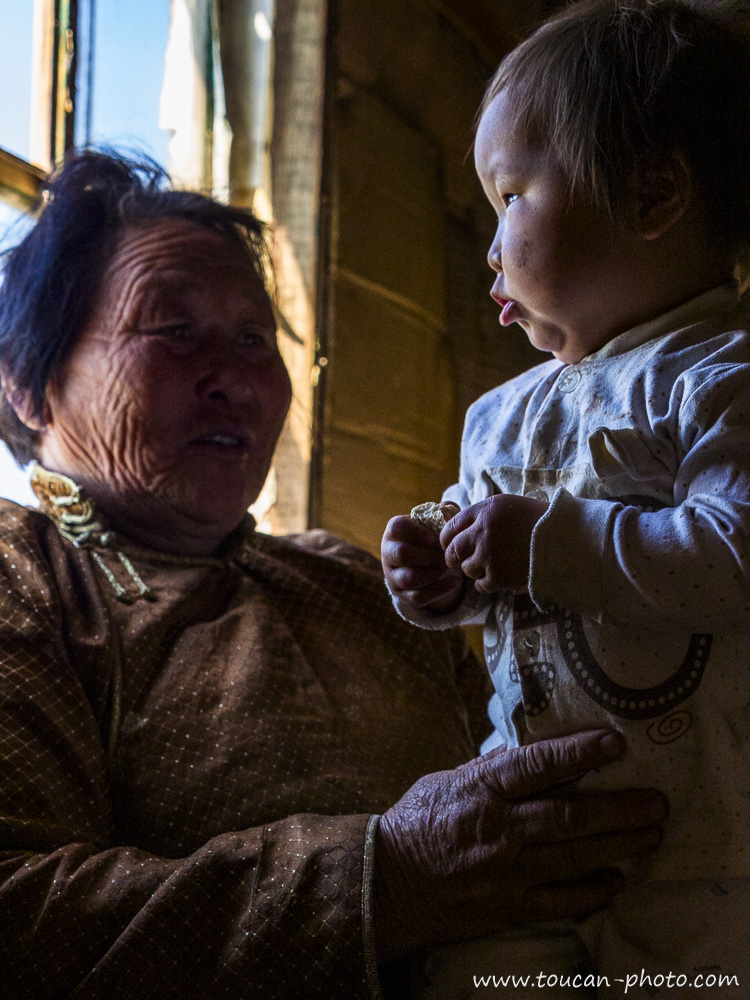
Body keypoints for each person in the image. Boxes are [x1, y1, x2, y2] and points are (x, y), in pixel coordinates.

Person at [0, 150, 666, 1000]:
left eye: (254, 340)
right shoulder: (25, 573)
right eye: (172, 331)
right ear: (27, 382)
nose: (237, 381)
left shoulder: (348, 577)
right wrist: (384, 880)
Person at [382, 0, 750, 995]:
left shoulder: (719, 374)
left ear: (653, 193)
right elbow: (490, 561)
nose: (490, 242)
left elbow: (736, 554)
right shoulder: (497, 414)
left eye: (510, 197)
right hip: (530, 836)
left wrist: (550, 540)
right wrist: (434, 564)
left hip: (710, 855)